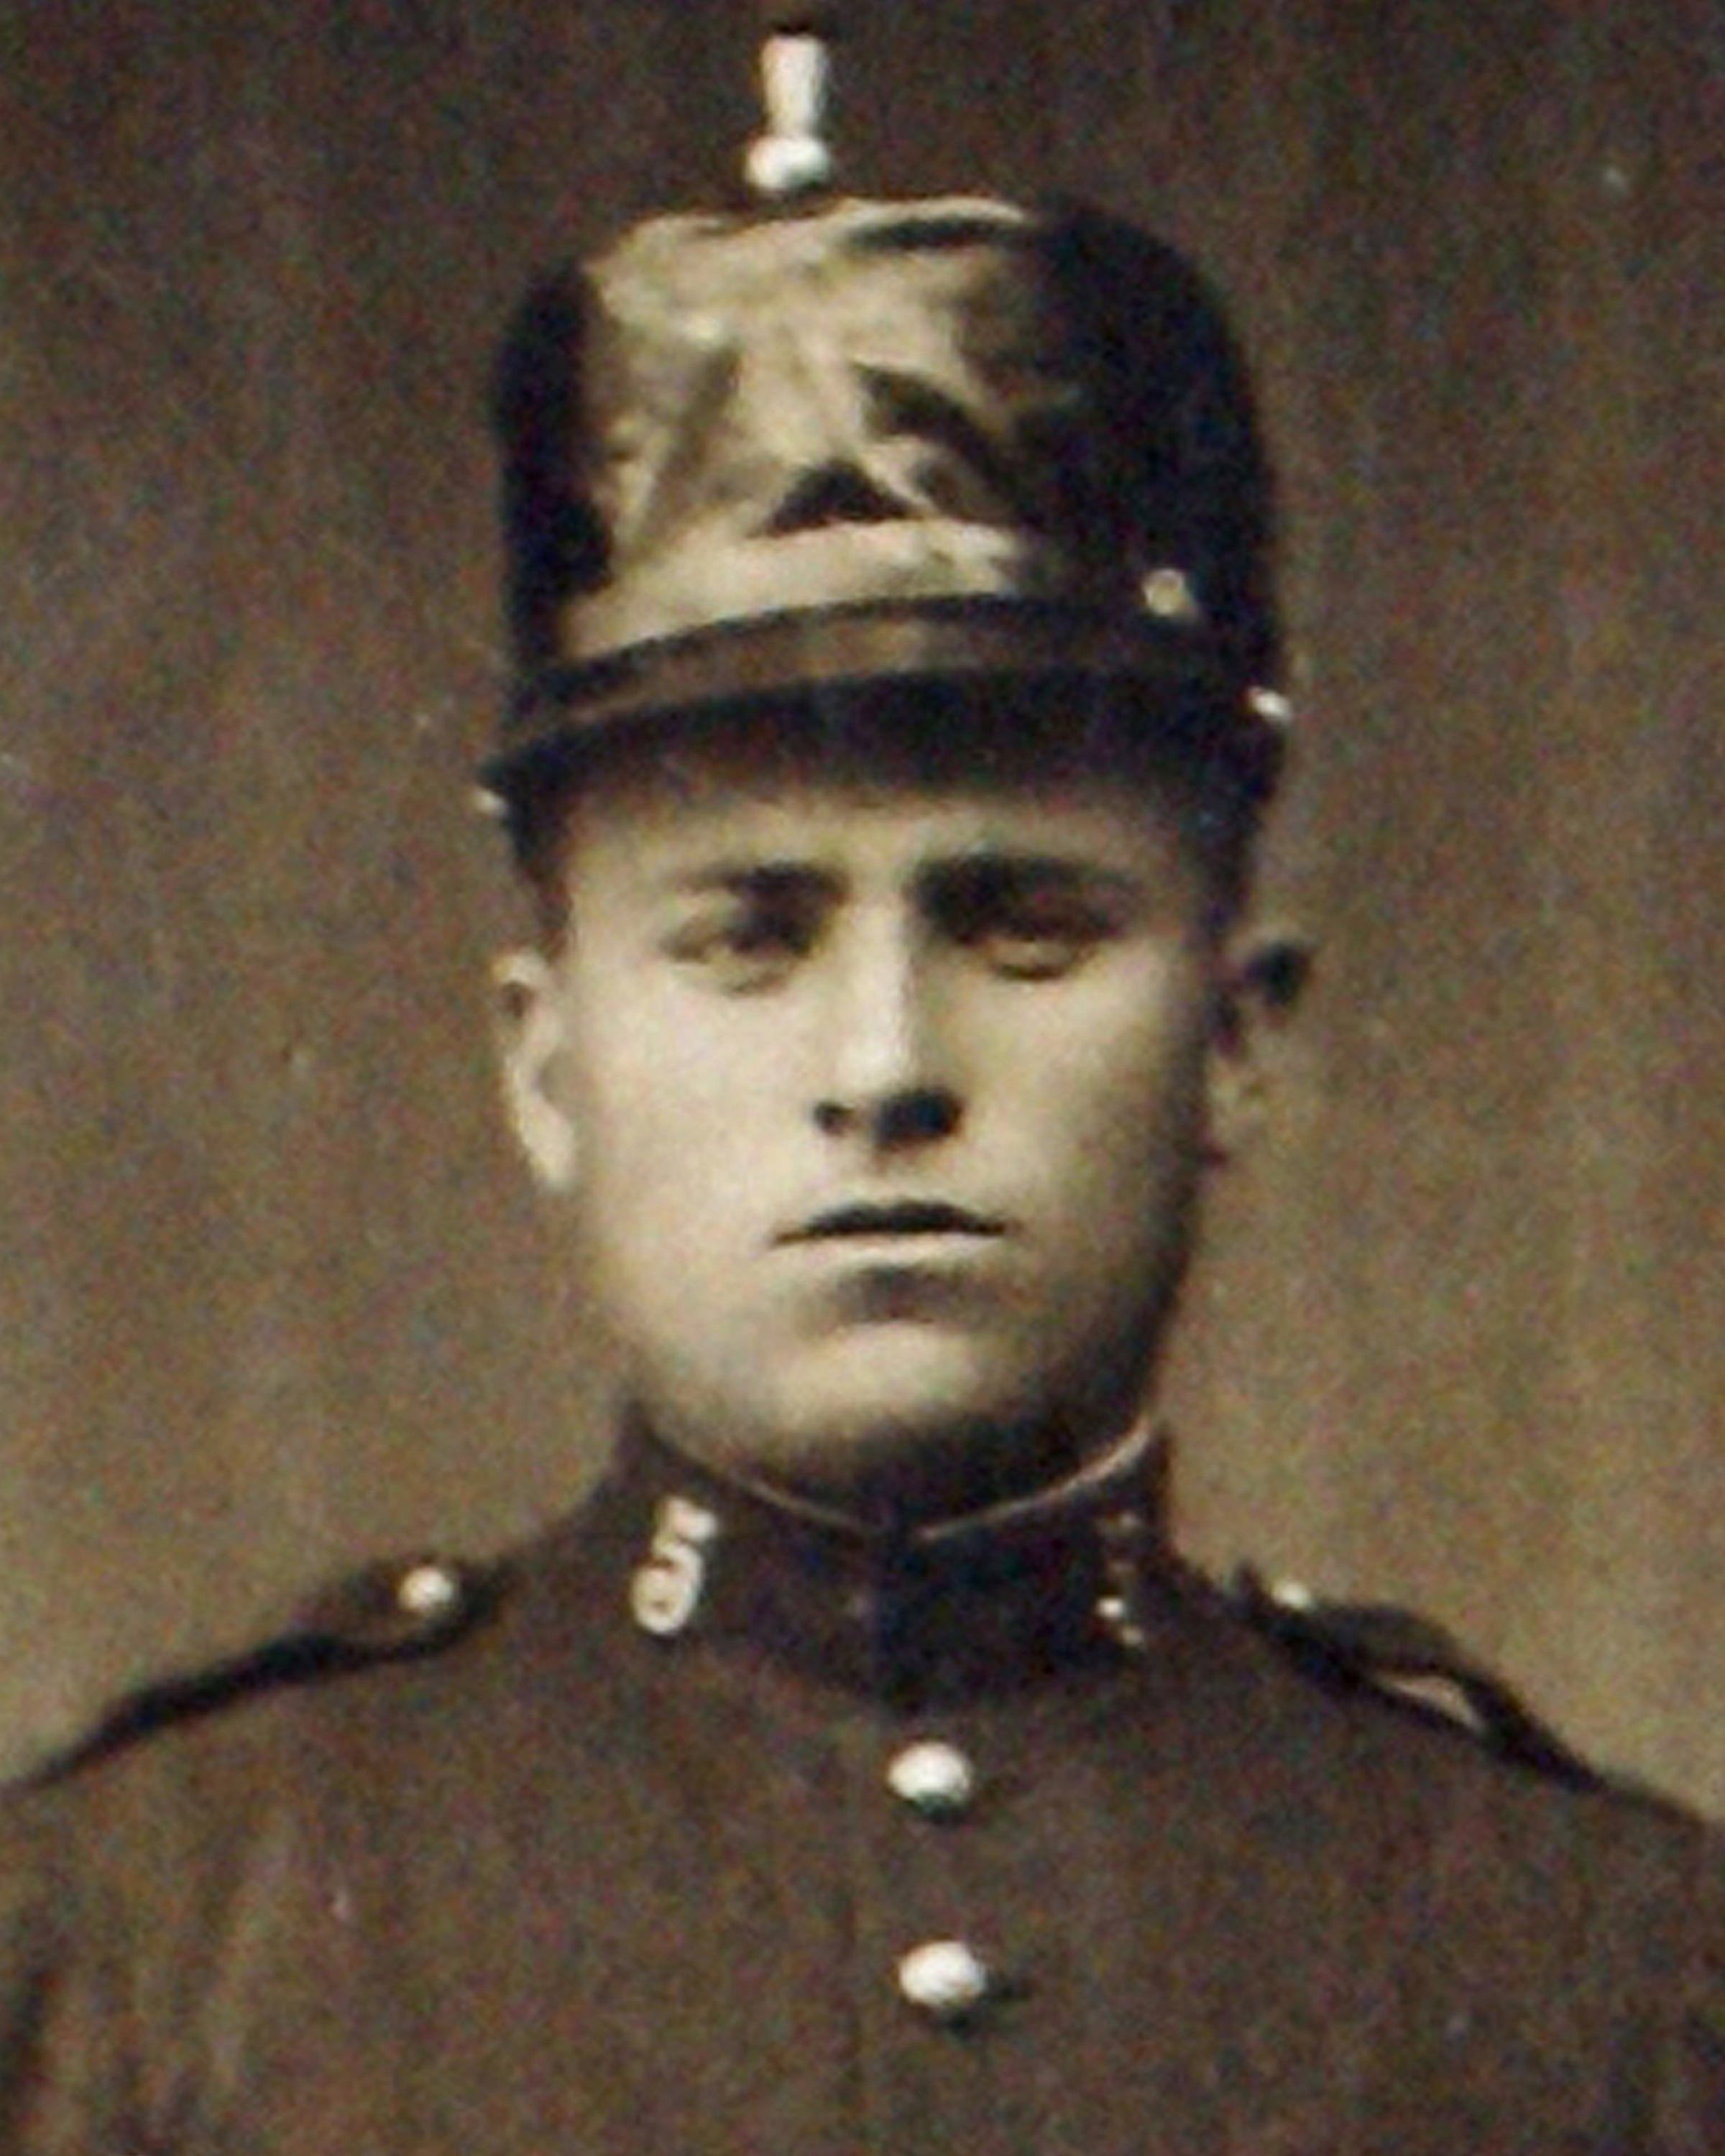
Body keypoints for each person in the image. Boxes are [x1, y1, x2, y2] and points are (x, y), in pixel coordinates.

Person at [1, 28, 1721, 2155]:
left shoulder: (1617, 1980)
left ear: (1239, 1037)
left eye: (1024, 926)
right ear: (548, 1063)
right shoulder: (134, 1950)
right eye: (747, 936)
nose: (886, 1069)